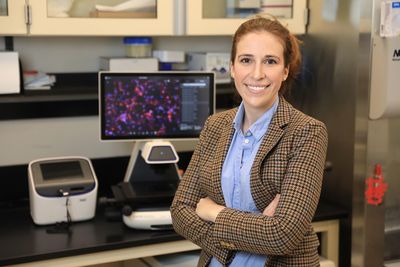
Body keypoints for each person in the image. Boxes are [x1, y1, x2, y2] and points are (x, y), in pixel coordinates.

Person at [170, 16, 328, 267]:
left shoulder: (307, 132)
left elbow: (283, 235)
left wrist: (215, 212)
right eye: (246, 60)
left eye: (270, 61)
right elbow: (180, 210)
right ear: (232, 67)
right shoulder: (215, 126)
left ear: (285, 70)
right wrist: (250, 234)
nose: (257, 74)